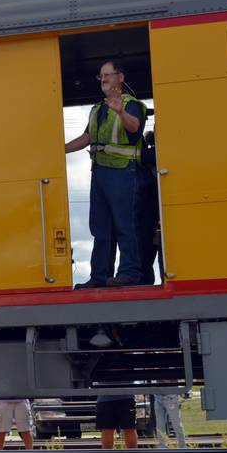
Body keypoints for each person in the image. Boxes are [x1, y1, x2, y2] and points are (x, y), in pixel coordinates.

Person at [65, 60, 147, 288]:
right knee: (100, 228)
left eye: (107, 75)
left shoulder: (131, 104)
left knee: (125, 224)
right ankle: (99, 277)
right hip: (100, 173)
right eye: (100, 76)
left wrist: (120, 111)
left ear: (120, 77)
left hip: (123, 172)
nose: (103, 79)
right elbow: (86, 138)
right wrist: (60, 149)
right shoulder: (97, 108)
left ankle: (129, 272)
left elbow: (134, 127)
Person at [139, 130, 163, 284]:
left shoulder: (149, 155)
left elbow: (146, 155)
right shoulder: (152, 155)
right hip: (152, 212)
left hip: (149, 213)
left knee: (146, 255)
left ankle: (145, 282)